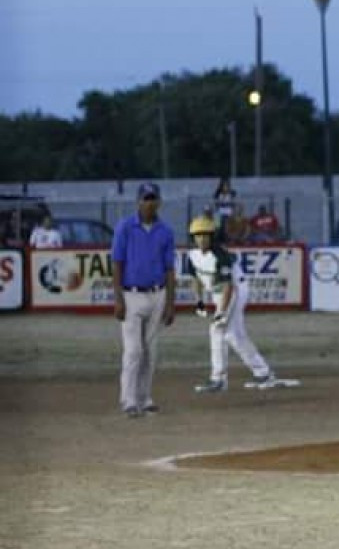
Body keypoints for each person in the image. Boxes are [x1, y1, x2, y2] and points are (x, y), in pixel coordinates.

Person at [186, 216, 291, 393]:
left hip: (234, 289)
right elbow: (196, 278)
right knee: (229, 333)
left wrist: (221, 312)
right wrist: (199, 301)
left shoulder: (221, 255)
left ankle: (227, 378)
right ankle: (256, 373)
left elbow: (229, 286)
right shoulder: (193, 255)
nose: (202, 239)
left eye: (205, 235)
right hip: (218, 292)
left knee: (222, 331)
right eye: (198, 235)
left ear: (212, 236)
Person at [112, 182, 176, 418]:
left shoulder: (165, 231)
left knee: (151, 351)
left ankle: (145, 397)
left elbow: (170, 269)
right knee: (133, 350)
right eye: (145, 198)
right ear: (138, 201)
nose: (149, 203)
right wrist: (117, 298)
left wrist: (171, 303)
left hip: (157, 293)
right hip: (131, 294)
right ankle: (128, 400)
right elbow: (117, 263)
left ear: (158, 201)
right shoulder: (125, 228)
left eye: (153, 198)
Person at [213, 177, 238, 242]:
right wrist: (221, 202)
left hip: (228, 213)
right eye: (224, 186)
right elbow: (216, 205)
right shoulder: (218, 194)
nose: (225, 187)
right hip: (220, 213)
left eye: (227, 186)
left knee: (227, 225)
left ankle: (228, 239)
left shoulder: (232, 194)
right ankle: (217, 239)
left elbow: (233, 204)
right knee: (217, 222)